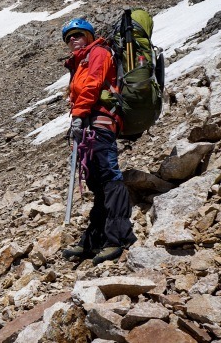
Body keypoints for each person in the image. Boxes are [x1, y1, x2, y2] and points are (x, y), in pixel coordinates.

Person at [59, 18, 137, 265]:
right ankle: (94, 239)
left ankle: (119, 237)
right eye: (69, 36)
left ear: (90, 36)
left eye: (78, 34)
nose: (73, 38)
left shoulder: (99, 53)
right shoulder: (79, 62)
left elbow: (93, 85)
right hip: (88, 125)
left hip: (100, 122)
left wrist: (79, 114)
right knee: (96, 181)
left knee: (108, 176)